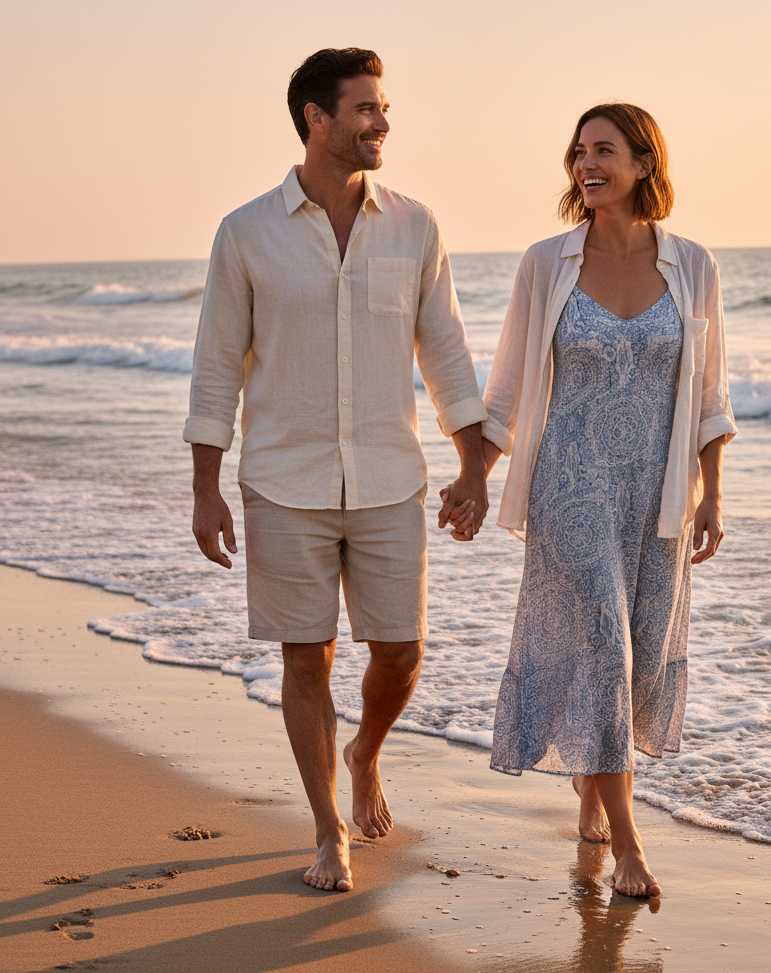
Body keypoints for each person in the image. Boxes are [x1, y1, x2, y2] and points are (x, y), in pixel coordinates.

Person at [184, 48, 488, 892]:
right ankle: (327, 832)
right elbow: (216, 367)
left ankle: (365, 751)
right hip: (283, 479)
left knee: (401, 651)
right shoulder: (246, 233)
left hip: (392, 476)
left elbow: (448, 357)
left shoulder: (415, 225)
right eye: (364, 108)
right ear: (316, 119)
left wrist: (473, 467)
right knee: (304, 658)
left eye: (382, 107)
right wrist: (206, 488)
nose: (381, 122)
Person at [476, 102, 737, 897]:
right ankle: (628, 843)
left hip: (655, 494)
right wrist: (472, 474)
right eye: (579, 151)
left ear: (643, 162)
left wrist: (712, 496)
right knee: (605, 644)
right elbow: (510, 388)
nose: (587, 164)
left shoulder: (692, 266)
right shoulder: (545, 263)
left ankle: (596, 784)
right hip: (569, 487)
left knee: (637, 650)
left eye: (605, 150)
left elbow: (711, 396)